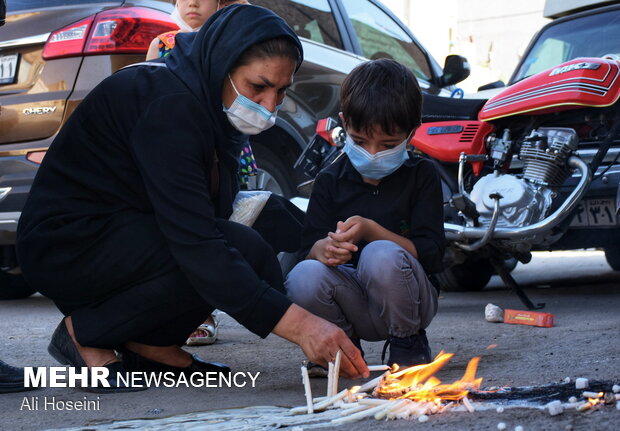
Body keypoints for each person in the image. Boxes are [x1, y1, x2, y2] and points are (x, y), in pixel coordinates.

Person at [16, 5, 368, 393]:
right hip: (68, 245)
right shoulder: (169, 105)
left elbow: (223, 209)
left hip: (124, 232)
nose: (269, 106)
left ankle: (151, 346)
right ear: (222, 65)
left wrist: (311, 243)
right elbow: (197, 243)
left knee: (248, 249)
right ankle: (84, 334)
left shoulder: (208, 101)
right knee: (217, 253)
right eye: (258, 87)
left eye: (281, 91)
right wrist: (303, 327)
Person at [285, 59, 445, 376]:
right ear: (345, 124)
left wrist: (372, 231)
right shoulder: (330, 180)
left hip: (410, 300)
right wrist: (325, 250)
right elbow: (308, 249)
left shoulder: (422, 175)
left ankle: (408, 344)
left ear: (412, 133)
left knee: (379, 254)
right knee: (303, 275)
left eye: (387, 145)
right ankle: (343, 348)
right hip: (352, 301)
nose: (372, 153)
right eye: (360, 141)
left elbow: (433, 254)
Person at [147, 0, 253, 347]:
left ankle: (204, 311)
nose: (192, 2)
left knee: (214, 227)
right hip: (174, 153)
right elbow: (145, 96)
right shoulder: (164, 43)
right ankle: (170, 310)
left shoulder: (236, 42)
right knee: (174, 227)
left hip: (220, 151)